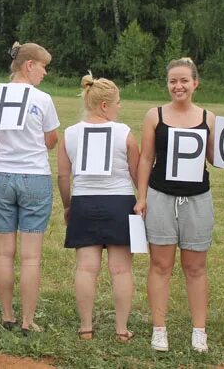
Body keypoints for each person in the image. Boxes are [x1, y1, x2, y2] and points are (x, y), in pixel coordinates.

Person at [135, 57, 215, 353]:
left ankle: (199, 331)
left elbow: (214, 158)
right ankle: (159, 330)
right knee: (160, 265)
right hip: (161, 197)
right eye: (173, 81)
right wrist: (142, 198)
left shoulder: (209, 116)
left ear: (195, 83)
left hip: (198, 199)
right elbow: (146, 158)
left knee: (195, 267)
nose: (178, 86)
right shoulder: (154, 115)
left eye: (184, 80)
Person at [0, 42, 59, 334]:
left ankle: (7, 315)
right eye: (43, 66)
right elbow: (51, 140)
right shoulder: (43, 99)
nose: (44, 72)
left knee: (3, 254)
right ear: (29, 65)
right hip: (35, 177)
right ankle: (27, 321)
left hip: (1, 176)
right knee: (31, 257)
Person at [58, 73, 140, 342]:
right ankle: (121, 330)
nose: (120, 107)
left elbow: (62, 176)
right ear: (104, 105)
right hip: (120, 202)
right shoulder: (124, 132)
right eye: (117, 102)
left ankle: (85, 328)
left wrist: (68, 206)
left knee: (85, 268)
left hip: (83, 201)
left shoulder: (69, 134)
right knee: (121, 270)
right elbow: (137, 172)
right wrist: (142, 201)